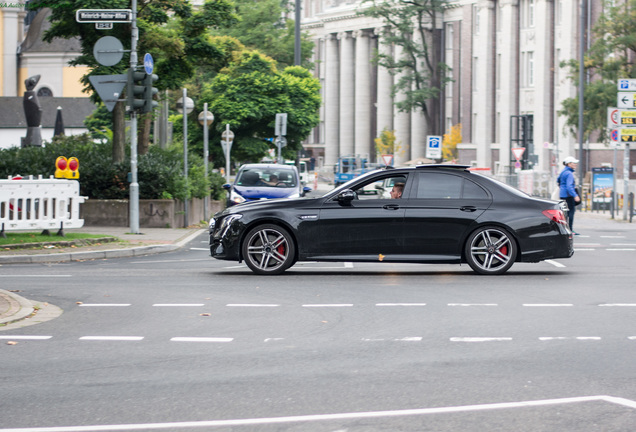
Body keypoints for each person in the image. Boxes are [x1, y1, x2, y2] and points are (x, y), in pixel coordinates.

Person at [557, 156, 581, 234]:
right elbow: (569, 186)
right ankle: (570, 229)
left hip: (562, 195)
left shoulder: (563, 172)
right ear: (569, 164)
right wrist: (575, 195)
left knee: (565, 213)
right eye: (574, 163)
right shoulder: (569, 173)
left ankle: (565, 229)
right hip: (568, 196)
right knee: (571, 212)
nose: (575, 164)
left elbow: (558, 181)